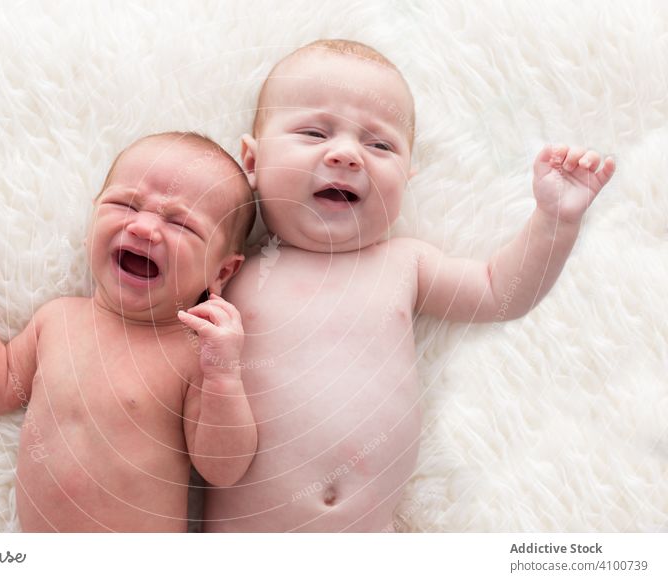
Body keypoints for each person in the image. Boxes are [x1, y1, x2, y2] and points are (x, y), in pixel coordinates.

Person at [204, 39, 615, 531]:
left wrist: (554, 222)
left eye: (380, 145)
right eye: (314, 132)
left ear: (407, 175)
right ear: (252, 161)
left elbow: (498, 292)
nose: (347, 154)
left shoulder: (403, 264)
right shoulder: (231, 273)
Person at [0, 132, 258, 532]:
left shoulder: (191, 352)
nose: (144, 228)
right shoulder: (58, 320)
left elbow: (222, 469)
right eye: (124, 204)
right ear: (91, 223)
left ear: (222, 271)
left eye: (180, 223)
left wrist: (223, 374)